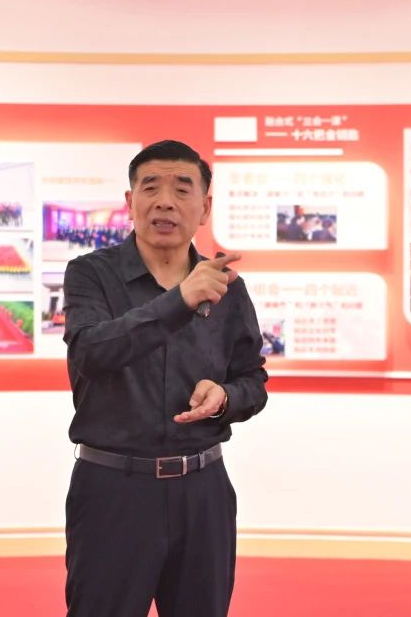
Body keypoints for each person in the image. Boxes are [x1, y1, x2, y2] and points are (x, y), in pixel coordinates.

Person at [62, 140, 268, 617]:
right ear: (130, 201)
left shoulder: (227, 288)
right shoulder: (91, 274)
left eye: (182, 189)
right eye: (150, 187)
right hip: (113, 489)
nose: (165, 202)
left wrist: (224, 397)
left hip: (203, 489)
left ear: (205, 207)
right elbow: (91, 352)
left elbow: (253, 380)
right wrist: (180, 300)